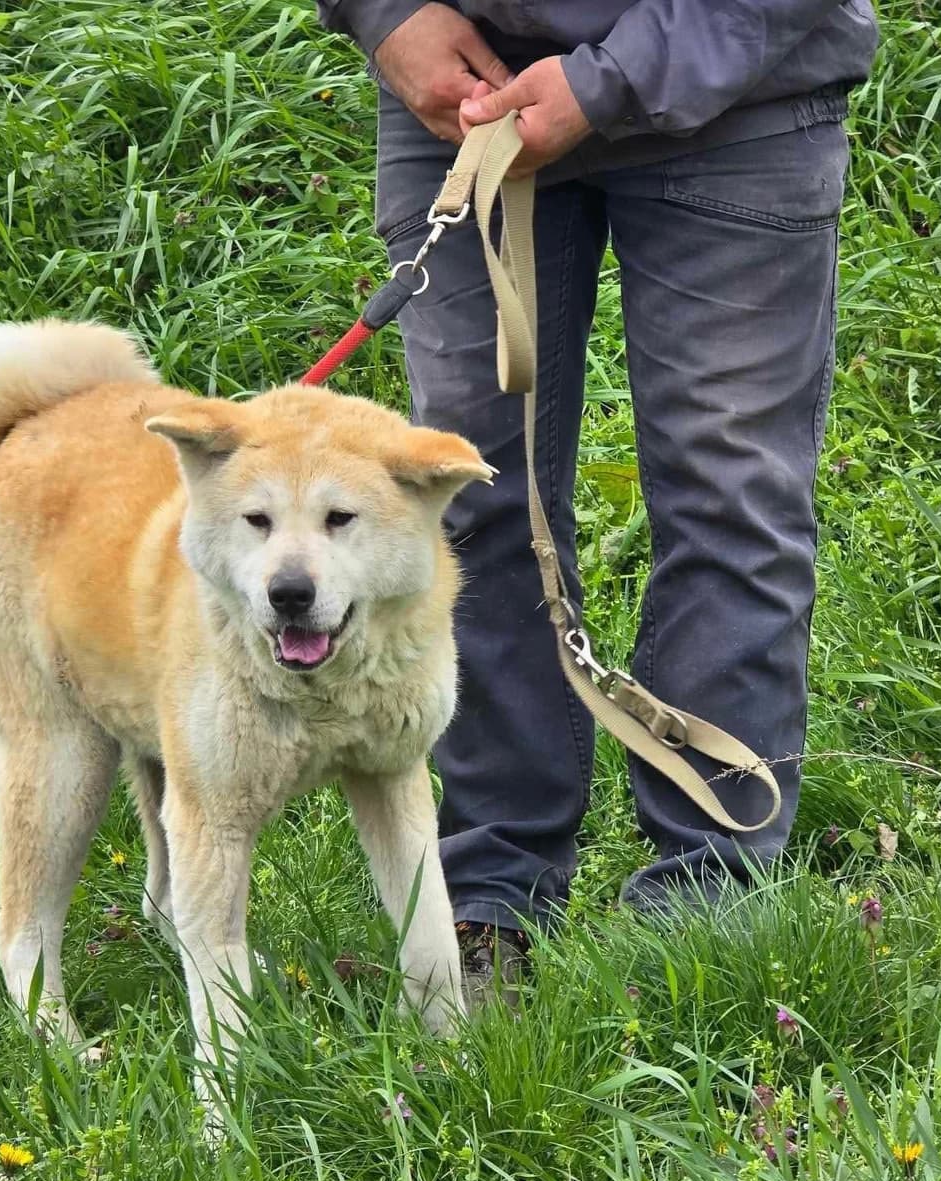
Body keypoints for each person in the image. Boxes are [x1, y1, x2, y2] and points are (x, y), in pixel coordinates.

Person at [316, 1, 879, 998]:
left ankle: (710, 906)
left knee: (729, 495)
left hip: (742, 80)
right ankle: (489, 899)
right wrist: (387, 14)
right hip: (466, 94)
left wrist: (610, 79)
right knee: (466, 500)